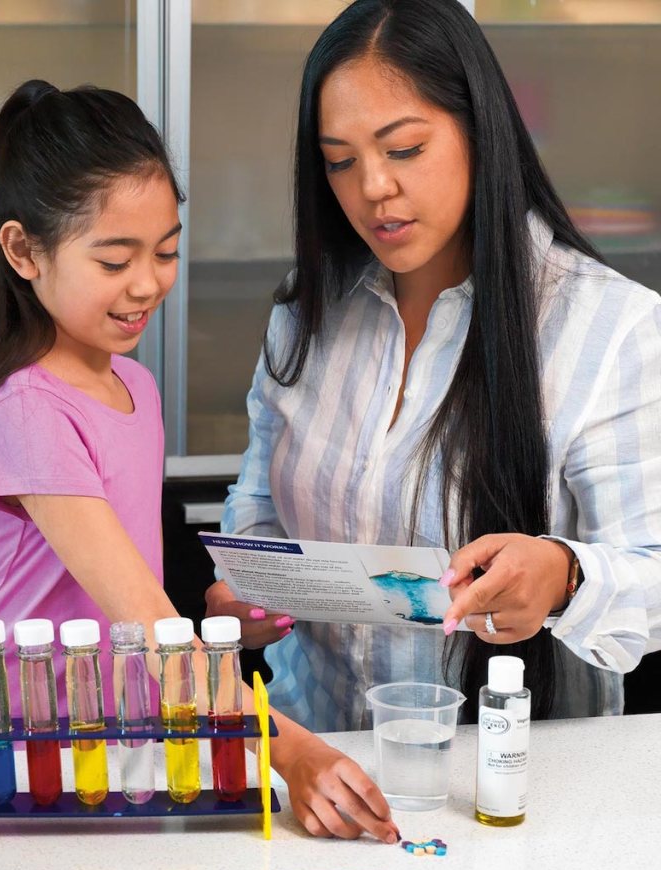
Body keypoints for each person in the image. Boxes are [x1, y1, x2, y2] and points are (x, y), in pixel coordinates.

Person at [0, 79, 401, 846]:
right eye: (114, 259)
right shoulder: (27, 408)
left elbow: (129, 612)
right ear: (23, 250)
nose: (147, 284)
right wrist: (292, 754)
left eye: (165, 252)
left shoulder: (134, 384)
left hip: (93, 745)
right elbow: (152, 625)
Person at [206, 0, 661, 735]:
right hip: (317, 752)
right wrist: (246, 591)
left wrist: (565, 576)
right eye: (341, 162)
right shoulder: (307, 313)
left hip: (506, 778)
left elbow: (654, 567)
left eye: (405, 149)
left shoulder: (609, 328)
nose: (372, 188)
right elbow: (259, 503)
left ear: (480, 132)